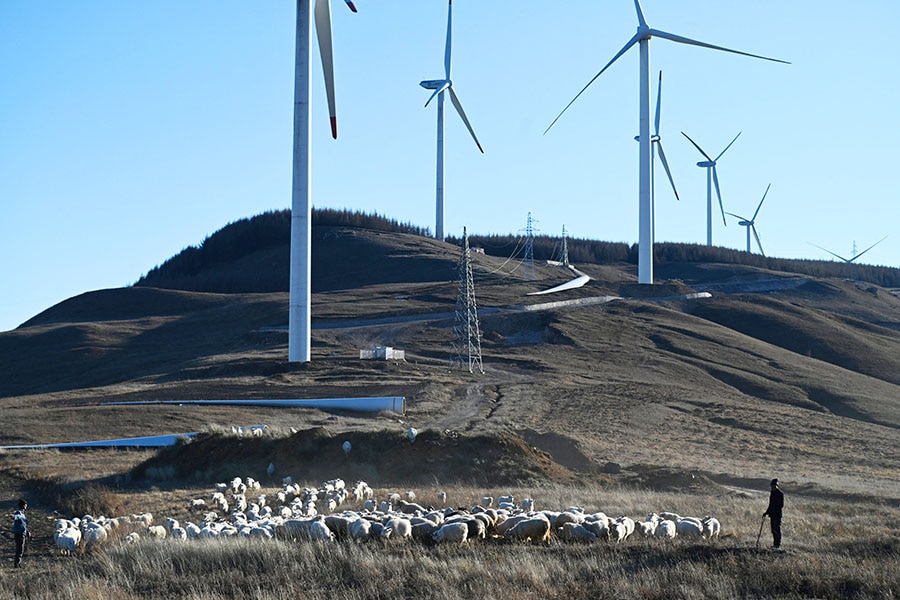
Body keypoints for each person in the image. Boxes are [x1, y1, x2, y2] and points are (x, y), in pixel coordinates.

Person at [763, 478, 784, 548]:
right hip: (772, 515)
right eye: (772, 486)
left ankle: (777, 544)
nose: (772, 487)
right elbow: (770, 504)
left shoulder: (780, 494)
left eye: (774, 486)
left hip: (777, 515)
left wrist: (773, 510)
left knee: (776, 529)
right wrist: (766, 512)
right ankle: (775, 544)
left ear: (777, 486)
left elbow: (781, 505)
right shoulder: (772, 493)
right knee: (773, 529)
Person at [11, 499, 31, 568]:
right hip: (19, 534)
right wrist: (13, 517)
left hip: (22, 533)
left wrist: (27, 531)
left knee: (20, 549)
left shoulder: (22, 513)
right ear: (23, 505)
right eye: (25, 505)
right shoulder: (18, 513)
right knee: (19, 549)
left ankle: (18, 563)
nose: (26, 506)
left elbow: (23, 524)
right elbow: (16, 517)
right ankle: (17, 564)